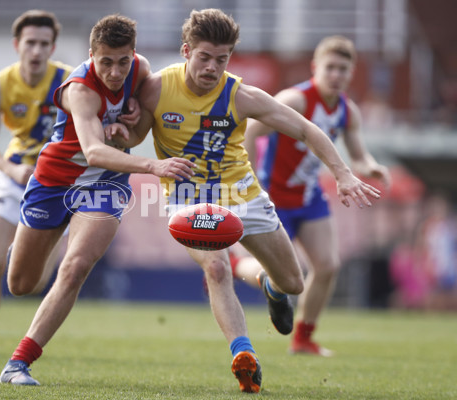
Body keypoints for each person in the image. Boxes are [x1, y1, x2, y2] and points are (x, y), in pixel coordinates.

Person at [126, 9, 381, 393]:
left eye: (222, 59)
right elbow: (132, 139)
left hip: (243, 193)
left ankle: (269, 285)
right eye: (204, 57)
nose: (212, 67)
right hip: (188, 198)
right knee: (216, 267)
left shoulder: (241, 95)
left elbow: (306, 128)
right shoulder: (156, 89)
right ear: (186, 51)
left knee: (294, 283)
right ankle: (243, 354)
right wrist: (120, 129)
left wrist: (344, 173)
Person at [0, 14, 194, 386]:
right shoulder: (79, 88)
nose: (116, 71)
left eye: (123, 61)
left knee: (74, 268)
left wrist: (130, 126)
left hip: (106, 184)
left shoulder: (140, 71)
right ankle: (34, 246)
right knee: (21, 285)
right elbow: (92, 151)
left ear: (133, 55)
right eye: (105, 62)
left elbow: (133, 135)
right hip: (55, 181)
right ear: (91, 55)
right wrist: (153, 165)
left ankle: (18, 364)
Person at [239, 35, 391, 356]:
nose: (336, 75)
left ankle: (303, 339)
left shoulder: (348, 111)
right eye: (330, 67)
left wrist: (371, 166)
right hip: (274, 199)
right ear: (315, 68)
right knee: (283, 276)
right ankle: (238, 262)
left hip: (309, 199)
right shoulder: (295, 99)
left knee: (327, 265)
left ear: (351, 74)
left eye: (343, 69)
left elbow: (358, 155)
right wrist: (250, 179)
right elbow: (252, 129)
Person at [0, 10, 73, 357]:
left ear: (52, 47)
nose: (36, 50)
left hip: (57, 185)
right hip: (15, 176)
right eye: (30, 43)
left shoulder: (69, 81)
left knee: (33, 284)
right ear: (17, 45)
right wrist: (13, 170)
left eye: (43, 44)